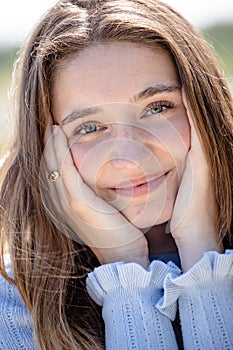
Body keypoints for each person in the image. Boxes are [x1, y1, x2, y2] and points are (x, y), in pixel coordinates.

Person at [0, 0, 232, 349]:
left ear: (205, 110)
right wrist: (125, 265)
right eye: (89, 127)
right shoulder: (14, 305)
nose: (130, 153)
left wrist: (203, 251)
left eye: (157, 107)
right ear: (47, 152)